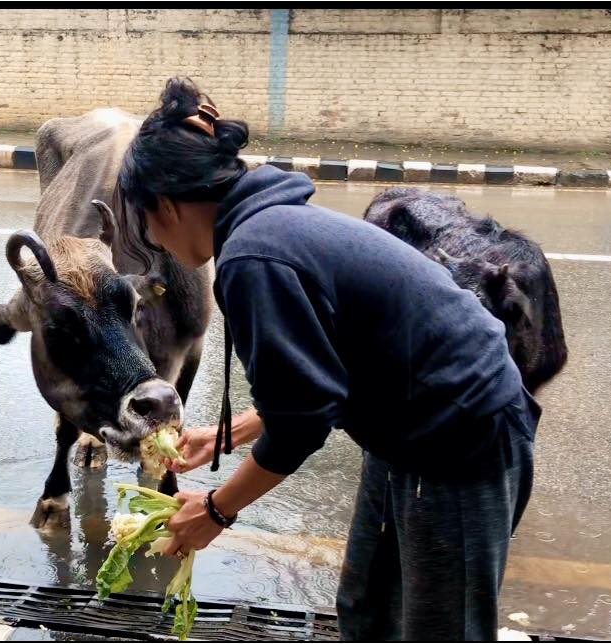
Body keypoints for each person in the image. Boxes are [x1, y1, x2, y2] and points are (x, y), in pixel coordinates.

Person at [114, 77, 540, 641]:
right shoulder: (271, 228)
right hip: (410, 425)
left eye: (143, 222)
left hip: (460, 439)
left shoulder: (254, 254)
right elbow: (321, 377)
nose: (153, 241)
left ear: (164, 203)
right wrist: (229, 433)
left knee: (442, 629)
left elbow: (301, 426)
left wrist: (214, 511)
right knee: (367, 607)